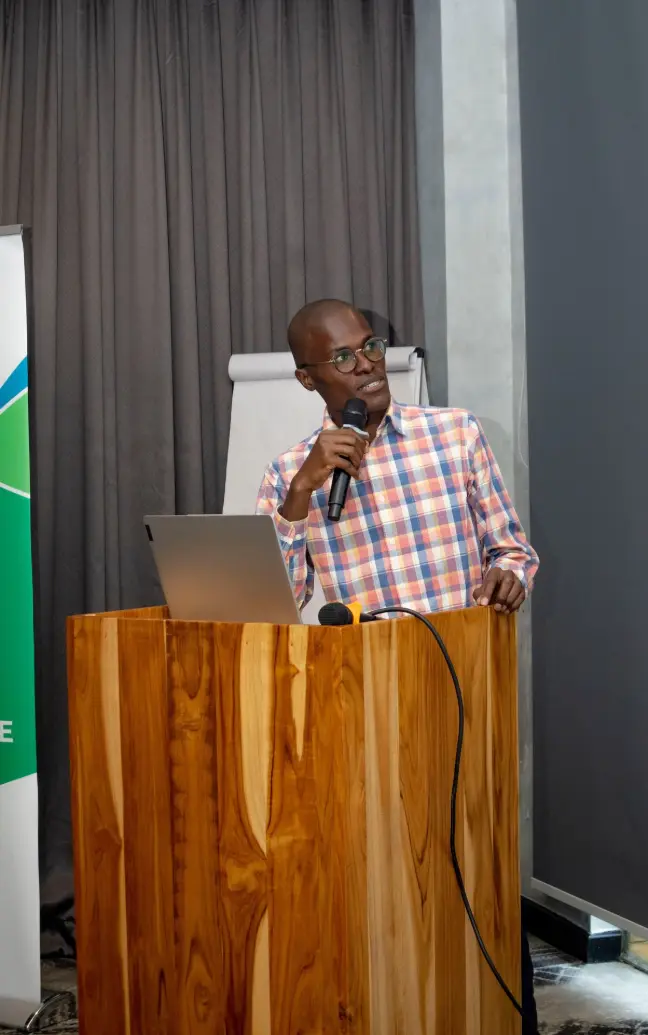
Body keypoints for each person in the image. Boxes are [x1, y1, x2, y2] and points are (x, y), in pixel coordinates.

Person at [256, 298, 540, 1033]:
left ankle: (505, 1017)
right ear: (307, 378)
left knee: (479, 872)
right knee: (391, 883)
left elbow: (513, 548)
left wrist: (510, 574)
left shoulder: (456, 434)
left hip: (464, 688)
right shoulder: (289, 474)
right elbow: (278, 600)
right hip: (368, 706)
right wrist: (300, 496)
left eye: (371, 346)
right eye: (342, 357)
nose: (367, 365)